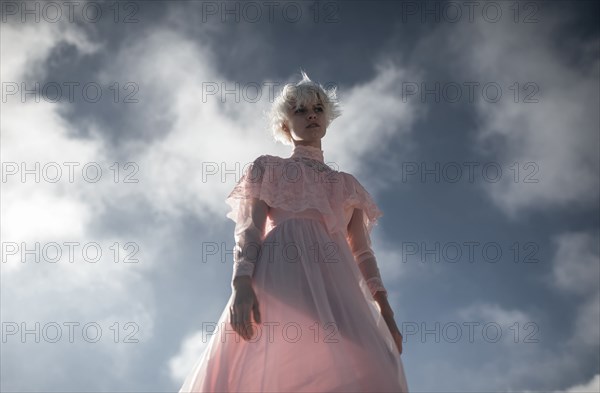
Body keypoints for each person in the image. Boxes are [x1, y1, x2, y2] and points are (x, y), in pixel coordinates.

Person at [179, 71, 409, 392]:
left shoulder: (348, 186)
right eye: (300, 110)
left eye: (317, 108)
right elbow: (249, 230)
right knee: (271, 359)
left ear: (327, 118)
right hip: (280, 274)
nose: (311, 114)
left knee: (375, 366)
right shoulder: (269, 167)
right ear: (286, 124)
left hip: (337, 282)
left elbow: (363, 253)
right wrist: (241, 284)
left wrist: (385, 311)